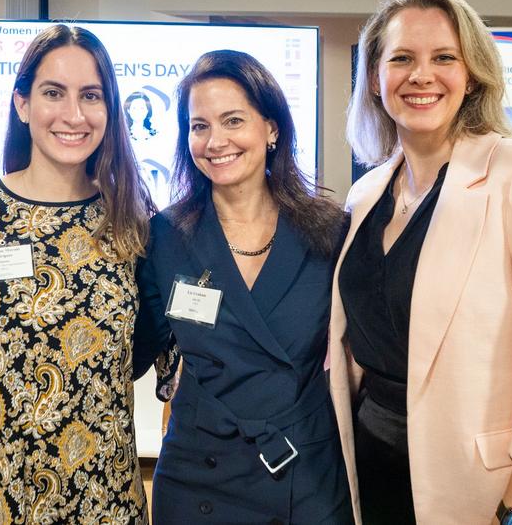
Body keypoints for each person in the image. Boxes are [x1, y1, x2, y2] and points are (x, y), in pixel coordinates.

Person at [330, 0, 512, 524]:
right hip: (375, 468)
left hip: (491, 490)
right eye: (402, 59)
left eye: (444, 58)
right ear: (374, 78)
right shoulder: (365, 195)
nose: (422, 75)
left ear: (473, 75)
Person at [0, 25, 154, 523]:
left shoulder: (132, 223)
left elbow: (153, 347)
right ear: (22, 104)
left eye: (91, 96)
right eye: (53, 93)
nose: (73, 114)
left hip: (103, 495)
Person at [134, 50, 351, 523]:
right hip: (198, 476)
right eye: (199, 126)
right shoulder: (165, 236)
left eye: (233, 120)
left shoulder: (331, 231)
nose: (216, 141)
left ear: (271, 128)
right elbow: (130, 352)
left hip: (302, 470)